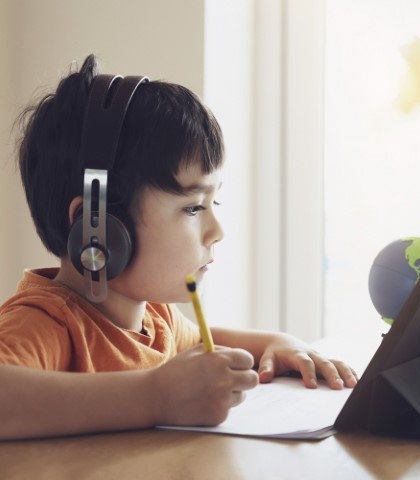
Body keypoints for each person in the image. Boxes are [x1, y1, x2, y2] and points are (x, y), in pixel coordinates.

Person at [0, 55, 357, 441]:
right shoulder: (46, 323)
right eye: (192, 208)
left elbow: (209, 344)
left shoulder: (156, 320)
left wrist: (277, 344)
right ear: (96, 228)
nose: (217, 231)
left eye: (213, 203)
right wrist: (154, 396)